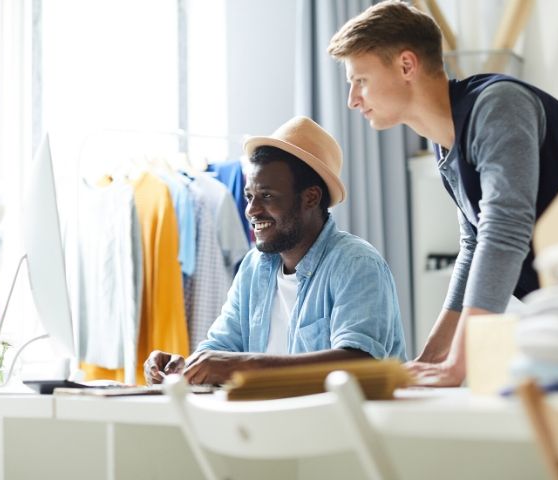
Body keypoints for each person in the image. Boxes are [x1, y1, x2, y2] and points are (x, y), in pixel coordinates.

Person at [328, 0, 558, 386]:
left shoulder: (498, 106)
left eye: (360, 80)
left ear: (406, 65)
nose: (352, 99)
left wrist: (460, 363)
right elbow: (474, 244)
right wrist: (432, 356)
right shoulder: (445, 141)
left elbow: (505, 232)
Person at [144, 116, 406, 385]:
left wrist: (243, 365)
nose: (251, 210)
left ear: (311, 197)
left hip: (343, 426)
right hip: (271, 423)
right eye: (249, 196)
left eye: (267, 196)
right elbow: (220, 350)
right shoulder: (253, 267)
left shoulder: (356, 264)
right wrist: (182, 367)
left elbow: (360, 363)